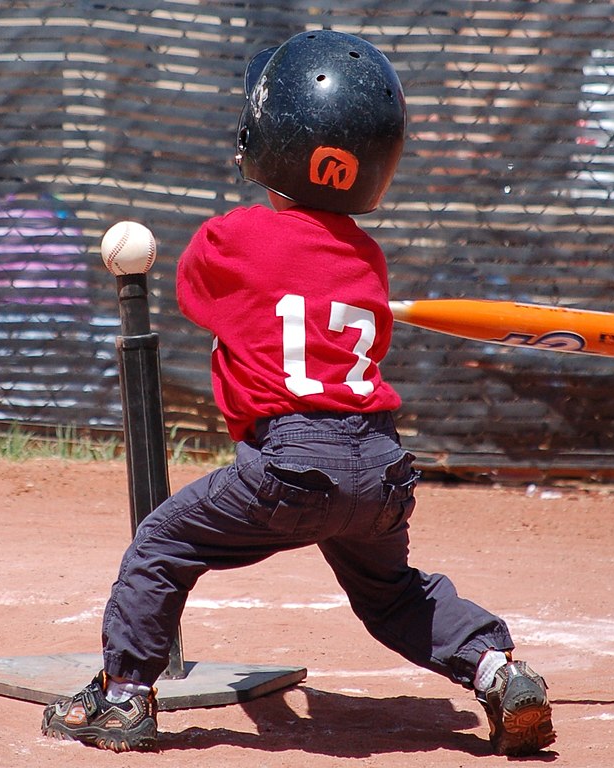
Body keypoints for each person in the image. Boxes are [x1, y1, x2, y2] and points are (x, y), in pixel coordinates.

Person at [41, 30, 556, 757]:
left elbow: (196, 295)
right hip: (380, 466)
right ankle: (498, 669)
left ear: (272, 138)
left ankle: (124, 697)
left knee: (159, 545)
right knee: (394, 595)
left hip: (288, 465)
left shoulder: (235, 236)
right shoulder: (367, 259)